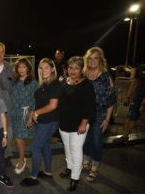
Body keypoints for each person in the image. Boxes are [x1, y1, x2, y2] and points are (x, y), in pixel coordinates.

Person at [20, 58, 62, 187]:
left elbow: (52, 105)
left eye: (46, 68)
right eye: (41, 68)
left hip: (49, 122)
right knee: (45, 146)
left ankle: (33, 176)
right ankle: (48, 172)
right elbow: (38, 103)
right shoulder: (44, 84)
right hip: (41, 121)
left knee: (36, 147)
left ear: (53, 69)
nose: (43, 70)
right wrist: (31, 116)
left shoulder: (55, 84)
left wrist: (35, 113)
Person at [59, 56, 96, 191]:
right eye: (70, 67)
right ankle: (69, 168)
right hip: (64, 123)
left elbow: (90, 106)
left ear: (81, 70)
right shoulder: (63, 82)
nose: (73, 71)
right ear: (67, 69)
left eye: (76, 68)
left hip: (79, 124)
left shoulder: (86, 85)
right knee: (67, 147)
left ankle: (75, 178)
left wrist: (84, 122)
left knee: (75, 149)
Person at [82, 47, 117, 182]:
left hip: (100, 115)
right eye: (90, 58)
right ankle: (86, 161)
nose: (92, 61)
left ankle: (95, 167)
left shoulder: (105, 76)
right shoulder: (84, 74)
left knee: (97, 141)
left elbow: (111, 99)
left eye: (96, 58)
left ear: (101, 60)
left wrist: (107, 119)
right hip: (84, 115)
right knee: (85, 140)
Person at [11, 58, 38, 174]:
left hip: (25, 113)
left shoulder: (33, 82)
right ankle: (23, 157)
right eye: (19, 67)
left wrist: (30, 117)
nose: (21, 69)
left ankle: (21, 160)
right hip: (14, 113)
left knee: (19, 137)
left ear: (28, 68)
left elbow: (35, 101)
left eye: (24, 67)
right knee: (17, 138)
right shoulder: (15, 81)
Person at [115, 64, 145, 143]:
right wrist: (128, 97)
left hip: (142, 99)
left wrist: (143, 103)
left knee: (133, 116)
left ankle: (125, 136)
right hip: (137, 97)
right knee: (131, 116)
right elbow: (135, 82)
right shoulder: (141, 68)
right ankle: (125, 136)